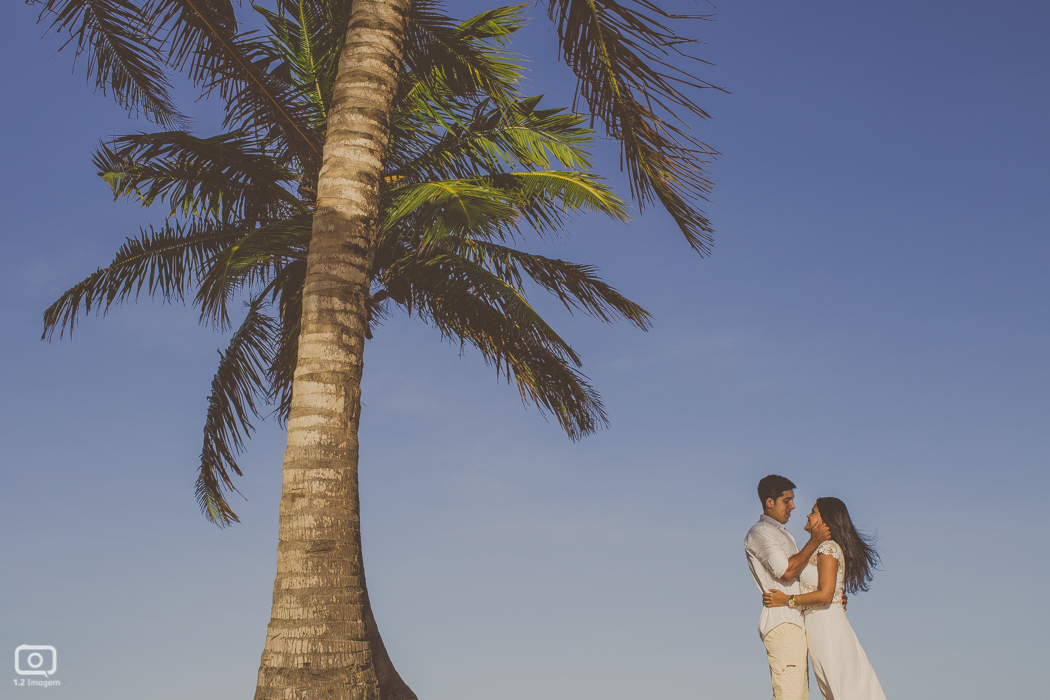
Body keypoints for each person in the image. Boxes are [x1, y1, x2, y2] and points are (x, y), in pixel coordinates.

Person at [763, 497, 887, 700]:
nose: (807, 515)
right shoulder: (818, 549)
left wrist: (787, 600)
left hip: (828, 628)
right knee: (833, 688)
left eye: (813, 512)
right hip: (818, 626)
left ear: (824, 520)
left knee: (841, 688)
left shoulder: (827, 548)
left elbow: (826, 595)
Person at [744, 475, 832, 700]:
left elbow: (801, 579)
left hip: (796, 622)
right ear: (770, 502)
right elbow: (787, 571)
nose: (793, 506)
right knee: (790, 694)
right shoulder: (761, 532)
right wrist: (814, 540)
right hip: (783, 622)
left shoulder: (783, 533)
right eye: (787, 500)